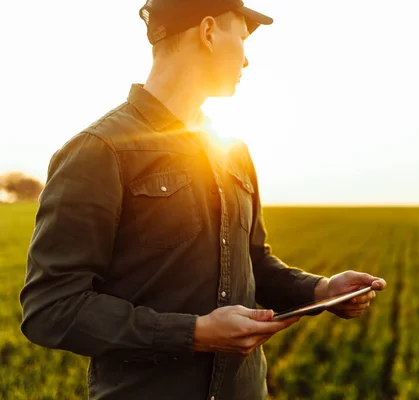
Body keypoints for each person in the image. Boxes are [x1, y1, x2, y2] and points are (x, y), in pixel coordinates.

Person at [19, 1, 387, 399]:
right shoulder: (99, 150)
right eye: (243, 39)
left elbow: (253, 262)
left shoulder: (233, 150)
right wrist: (193, 334)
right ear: (209, 32)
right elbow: (52, 308)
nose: (247, 60)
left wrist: (320, 291)